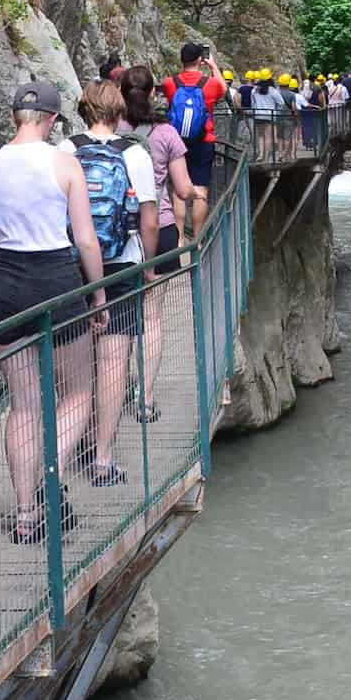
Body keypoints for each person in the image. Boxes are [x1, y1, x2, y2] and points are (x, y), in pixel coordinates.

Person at [0, 76, 105, 548]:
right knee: (77, 393)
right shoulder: (65, 165)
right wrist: (98, 295)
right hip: (55, 280)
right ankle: (53, 471)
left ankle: (26, 514)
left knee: (23, 404)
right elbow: (85, 238)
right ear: (50, 120)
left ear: (13, 118)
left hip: (4, 282)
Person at [72, 80, 159, 478]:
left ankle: (81, 435)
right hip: (122, 263)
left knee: (76, 358)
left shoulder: (65, 150)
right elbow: (149, 217)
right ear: (119, 110)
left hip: (72, 266)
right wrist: (149, 263)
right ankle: (103, 458)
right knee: (112, 359)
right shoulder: (134, 153)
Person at [119, 65, 196, 419]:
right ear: (153, 94)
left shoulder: (112, 131)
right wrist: (195, 192)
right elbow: (182, 189)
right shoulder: (166, 134)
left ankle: (113, 388)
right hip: (161, 230)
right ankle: (145, 400)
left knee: (117, 320)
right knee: (152, 318)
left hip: (119, 235)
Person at [162, 40, 225, 229]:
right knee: (200, 190)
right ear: (200, 59)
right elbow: (224, 89)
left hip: (177, 141)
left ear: (181, 60)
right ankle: (197, 239)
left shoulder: (170, 83)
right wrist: (213, 66)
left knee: (179, 190)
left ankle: (180, 237)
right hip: (203, 141)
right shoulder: (211, 84)